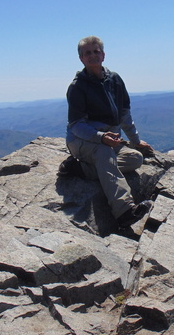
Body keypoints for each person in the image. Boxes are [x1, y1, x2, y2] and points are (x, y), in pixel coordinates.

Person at [65, 36, 154, 228]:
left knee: (135, 159)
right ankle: (123, 211)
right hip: (83, 139)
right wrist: (101, 138)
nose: (92, 56)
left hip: (109, 139)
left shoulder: (114, 80)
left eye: (96, 51)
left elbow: (124, 114)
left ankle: (81, 169)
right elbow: (76, 125)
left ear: (103, 55)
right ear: (81, 58)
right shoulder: (77, 87)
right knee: (104, 153)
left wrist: (136, 141)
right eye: (87, 53)